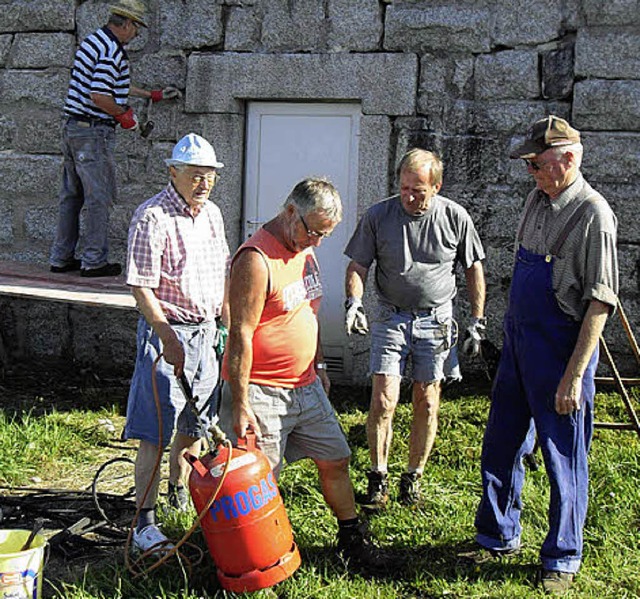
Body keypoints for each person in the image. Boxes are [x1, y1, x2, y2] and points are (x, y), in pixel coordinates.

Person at [473, 116, 618, 594]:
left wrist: (574, 376)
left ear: (569, 159)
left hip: (560, 352)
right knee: (501, 443)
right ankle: (496, 535)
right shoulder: (538, 198)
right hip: (519, 345)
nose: (530, 172)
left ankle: (563, 555)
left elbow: (599, 301)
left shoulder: (593, 215)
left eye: (537, 163)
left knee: (563, 458)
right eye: (528, 164)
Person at [218, 178, 381, 570]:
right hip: (261, 391)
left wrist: (320, 363)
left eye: (326, 234)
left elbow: (307, 312)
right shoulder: (255, 260)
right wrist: (240, 404)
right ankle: (264, 558)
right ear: (290, 212)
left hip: (305, 386)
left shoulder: (305, 252)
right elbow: (240, 334)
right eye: (314, 231)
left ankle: (351, 540)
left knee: (336, 458)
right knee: (260, 481)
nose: (318, 242)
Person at [344, 148, 486, 509]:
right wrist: (354, 303)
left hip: (436, 319)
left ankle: (413, 477)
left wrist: (476, 322)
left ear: (436, 187)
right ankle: (378, 476)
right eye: (405, 188)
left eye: (418, 191)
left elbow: (473, 269)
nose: (409, 196)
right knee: (383, 398)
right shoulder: (379, 216)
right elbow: (357, 266)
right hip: (391, 317)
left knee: (426, 399)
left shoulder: (455, 217)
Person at [123, 133, 229, 552]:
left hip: (206, 331)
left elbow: (222, 271)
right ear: (173, 172)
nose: (203, 183)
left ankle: (179, 488)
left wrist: (224, 322)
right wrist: (166, 334)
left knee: (196, 422)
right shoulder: (152, 216)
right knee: (155, 428)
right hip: (167, 331)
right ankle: (143, 523)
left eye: (209, 176)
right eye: (195, 175)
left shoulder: (213, 215)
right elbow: (141, 286)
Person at [50, 0, 181, 278]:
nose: (136, 35)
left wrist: (149, 95)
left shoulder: (94, 42)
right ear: (127, 23)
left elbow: (110, 84)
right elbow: (99, 95)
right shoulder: (112, 51)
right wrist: (124, 116)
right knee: (99, 197)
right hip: (93, 131)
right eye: (136, 28)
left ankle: (61, 258)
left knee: (71, 196)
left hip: (74, 126)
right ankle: (94, 261)